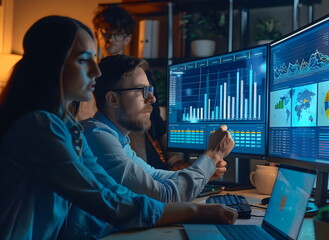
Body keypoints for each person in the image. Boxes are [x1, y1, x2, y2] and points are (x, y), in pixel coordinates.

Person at [0, 15, 237, 239]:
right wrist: (196, 207)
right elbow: (109, 203)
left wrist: (201, 171)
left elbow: (115, 192)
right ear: (54, 65)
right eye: (84, 60)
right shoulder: (41, 128)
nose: (96, 71)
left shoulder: (68, 128)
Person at [91, 4, 190, 170]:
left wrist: (175, 160)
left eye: (118, 34)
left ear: (128, 38)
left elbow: (155, 120)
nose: (111, 39)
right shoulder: (88, 75)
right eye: (106, 32)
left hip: (136, 149)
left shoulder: (140, 74)